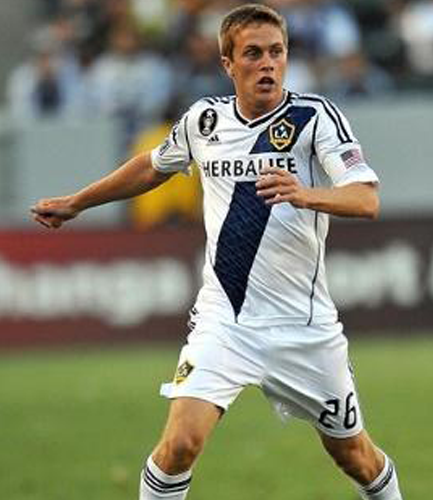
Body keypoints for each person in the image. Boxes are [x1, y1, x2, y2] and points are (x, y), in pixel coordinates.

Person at [31, 4, 403, 500]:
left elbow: (366, 199)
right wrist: (77, 202)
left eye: (277, 52)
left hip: (304, 327)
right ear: (228, 63)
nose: (267, 64)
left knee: (354, 455)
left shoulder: (314, 118)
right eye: (253, 53)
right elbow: (153, 166)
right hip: (225, 323)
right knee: (180, 445)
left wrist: (305, 194)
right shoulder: (204, 120)